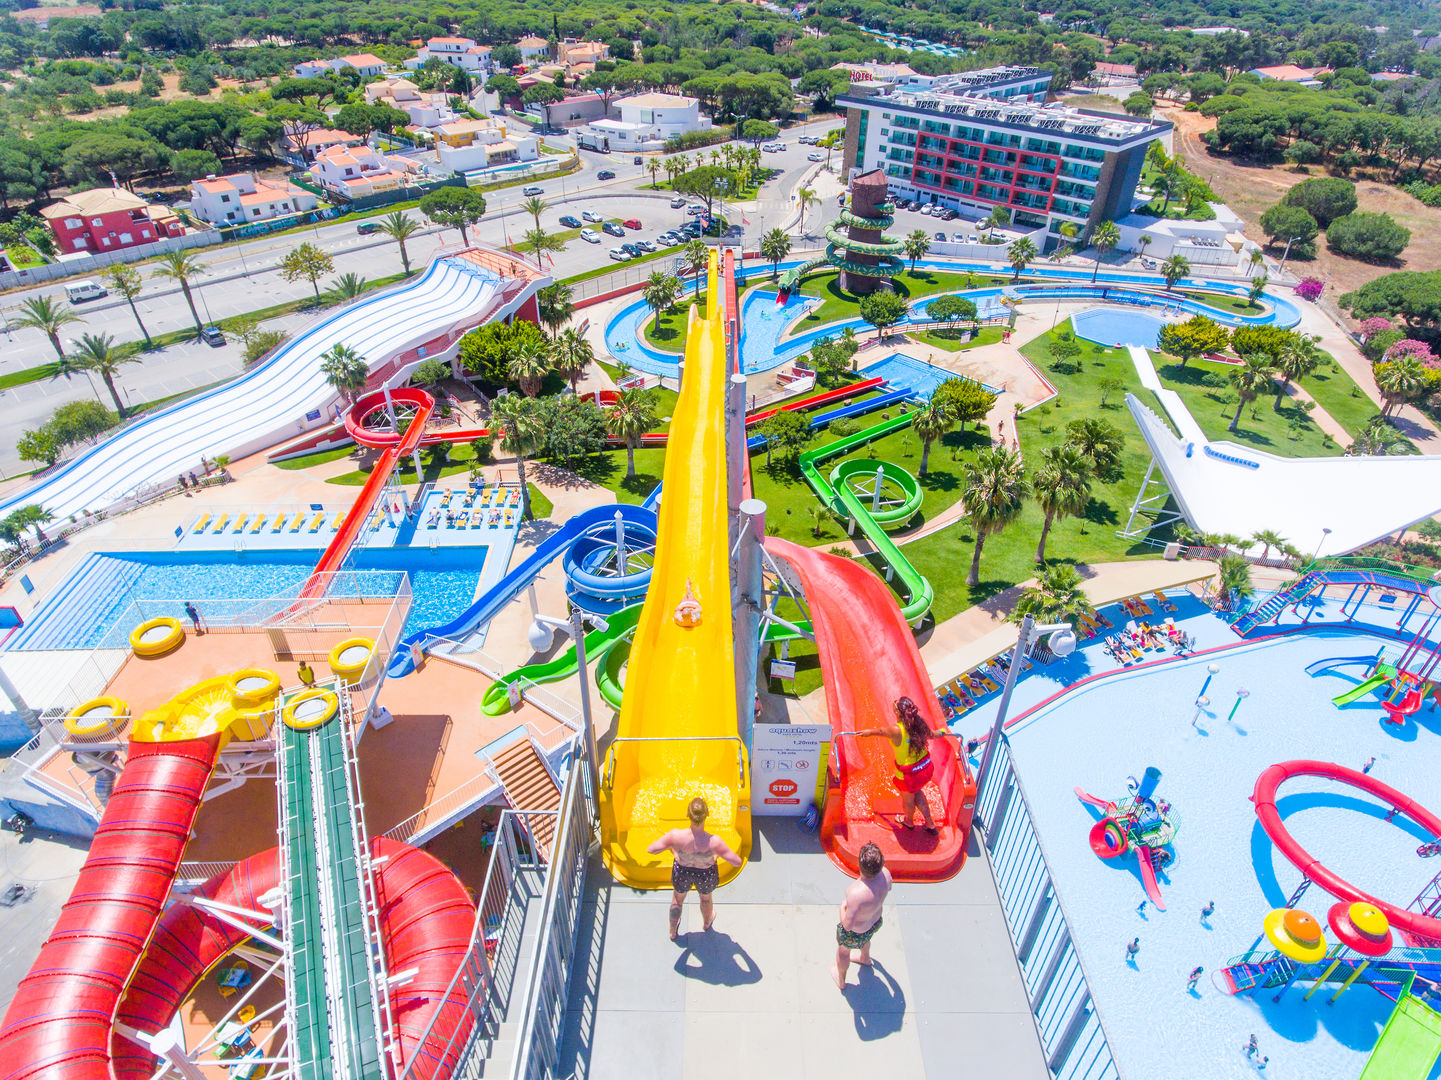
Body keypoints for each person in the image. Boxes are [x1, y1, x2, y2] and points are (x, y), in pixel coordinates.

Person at [645, 797, 742, 941]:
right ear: (707, 814)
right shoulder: (714, 842)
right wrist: (715, 856)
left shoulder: (675, 836)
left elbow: (651, 850)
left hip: (682, 870)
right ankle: (707, 923)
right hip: (706, 873)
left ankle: (672, 930)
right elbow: (736, 862)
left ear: (687, 814)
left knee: (677, 900)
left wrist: (674, 851)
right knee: (705, 899)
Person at [853, 696, 951, 834]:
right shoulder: (919, 724)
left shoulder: (897, 730)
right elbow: (933, 734)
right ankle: (930, 823)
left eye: (894, 708)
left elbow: (881, 731)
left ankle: (908, 822)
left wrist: (869, 732)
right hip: (925, 769)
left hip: (909, 776)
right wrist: (942, 731)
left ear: (898, 713)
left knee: (908, 801)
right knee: (917, 792)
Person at [833, 841, 891, 989]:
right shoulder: (886, 875)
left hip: (856, 932)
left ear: (859, 865)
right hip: (875, 922)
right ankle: (865, 958)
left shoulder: (855, 893)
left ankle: (841, 980)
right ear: (881, 864)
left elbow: (847, 926)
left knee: (844, 951)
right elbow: (888, 889)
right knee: (867, 938)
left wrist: (842, 908)